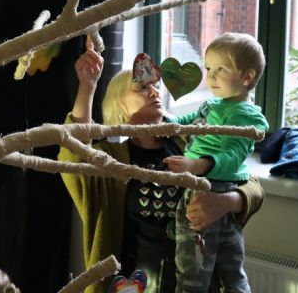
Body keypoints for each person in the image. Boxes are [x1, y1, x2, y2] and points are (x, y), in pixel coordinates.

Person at [58, 37, 264, 293]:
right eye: (142, 88)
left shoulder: (190, 141)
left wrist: (228, 201)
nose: (155, 92)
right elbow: (73, 159)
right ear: (119, 104)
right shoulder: (111, 161)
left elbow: (253, 187)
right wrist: (87, 87)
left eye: (155, 86)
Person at [163, 32, 269, 293]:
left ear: (247, 77)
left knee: (194, 275)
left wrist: (197, 165)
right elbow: (188, 122)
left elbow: (232, 157)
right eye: (209, 68)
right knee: (231, 269)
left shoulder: (245, 117)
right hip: (208, 186)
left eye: (221, 69)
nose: (210, 76)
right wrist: (167, 122)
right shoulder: (214, 105)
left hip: (211, 187)